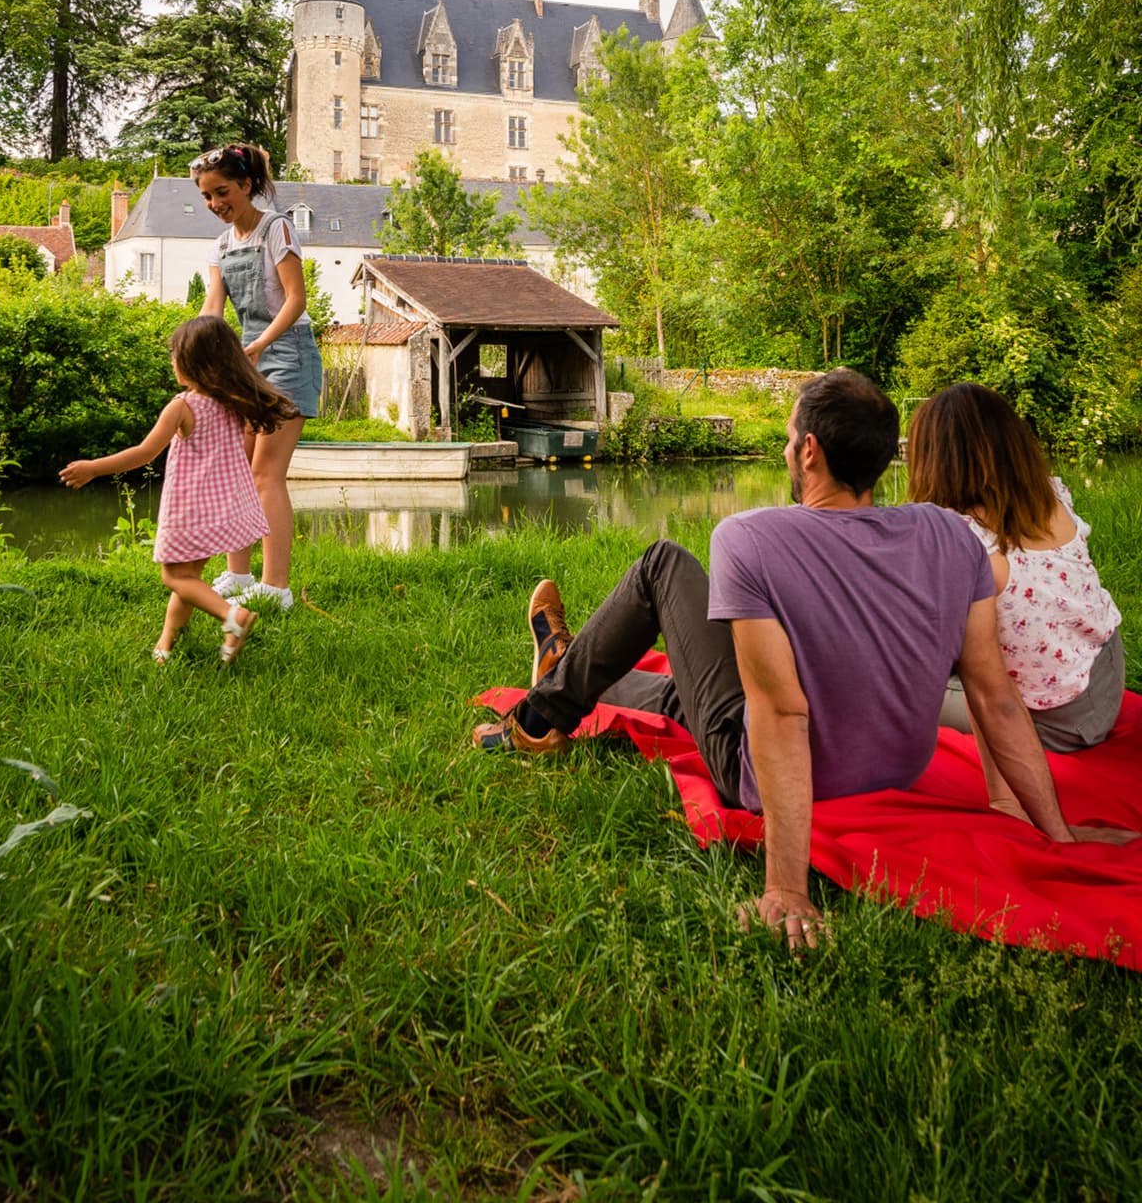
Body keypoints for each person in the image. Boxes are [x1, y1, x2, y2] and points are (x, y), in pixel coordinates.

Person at [473, 368, 1133, 949]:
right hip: (895, 766)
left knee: (662, 565)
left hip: (769, 775)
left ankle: (539, 717)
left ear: (809, 452)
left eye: (790, 440)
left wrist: (786, 889)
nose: (788, 451)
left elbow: (783, 713)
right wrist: (1060, 834)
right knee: (688, 694)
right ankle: (565, 667)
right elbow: (995, 695)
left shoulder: (749, 537)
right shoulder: (946, 536)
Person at [906, 382, 1125, 794]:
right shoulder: (1052, 496)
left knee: (895, 691)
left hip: (1054, 723)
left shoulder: (966, 544)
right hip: (1105, 682)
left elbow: (942, 656)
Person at [60, 315, 299, 663]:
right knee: (189, 578)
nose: (172, 363)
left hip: (190, 510)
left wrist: (93, 468)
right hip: (223, 507)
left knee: (174, 577)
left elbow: (143, 454)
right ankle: (166, 647)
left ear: (192, 363)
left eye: (175, 356)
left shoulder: (182, 407)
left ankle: (233, 617)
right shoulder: (232, 400)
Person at [190, 142, 324, 611]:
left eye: (221, 192)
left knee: (266, 472)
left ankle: (276, 586)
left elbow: (295, 300)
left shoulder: (276, 228)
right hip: (245, 359)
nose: (214, 204)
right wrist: (204, 349)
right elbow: (213, 307)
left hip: (286, 354)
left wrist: (259, 344)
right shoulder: (222, 245)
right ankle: (237, 572)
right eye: (207, 196)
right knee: (237, 470)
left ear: (246, 185)